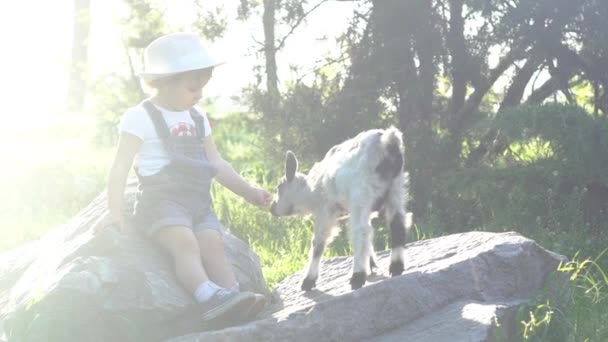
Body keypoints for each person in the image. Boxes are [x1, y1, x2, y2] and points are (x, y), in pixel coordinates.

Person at [94, 32, 273, 325]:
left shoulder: (197, 117)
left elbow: (216, 163)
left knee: (213, 245)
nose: (198, 95)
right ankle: (207, 296)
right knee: (186, 243)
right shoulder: (140, 117)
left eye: (202, 88)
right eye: (192, 88)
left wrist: (249, 192)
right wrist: (115, 211)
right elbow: (120, 167)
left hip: (198, 202)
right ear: (163, 82)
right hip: (161, 203)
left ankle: (234, 297)